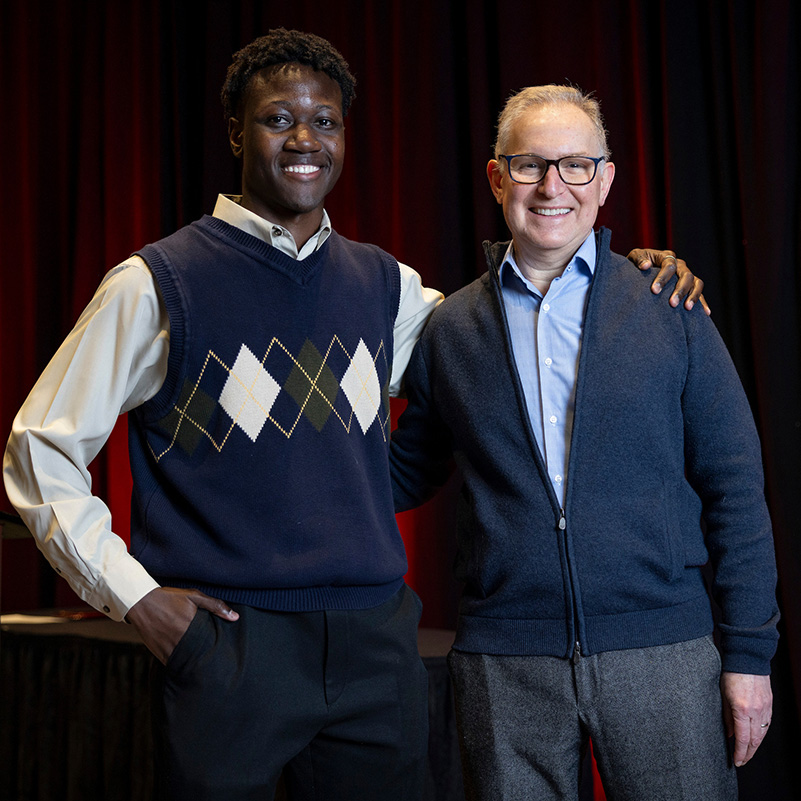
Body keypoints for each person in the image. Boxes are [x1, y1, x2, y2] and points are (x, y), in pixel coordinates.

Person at [3, 28, 702, 801]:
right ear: (237, 130)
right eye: (278, 119)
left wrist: (618, 275)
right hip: (231, 645)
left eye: (325, 121)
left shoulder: (387, 286)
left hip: (374, 647)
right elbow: (38, 452)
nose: (305, 138)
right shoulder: (156, 283)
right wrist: (135, 598)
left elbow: (515, 334)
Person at [390, 85, 779, 801]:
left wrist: (749, 656)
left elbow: (735, 488)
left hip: (664, 655)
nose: (551, 186)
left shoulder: (669, 305)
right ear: (496, 177)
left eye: (574, 165)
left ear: (604, 179)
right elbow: (398, 473)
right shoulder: (449, 331)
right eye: (530, 164)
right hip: (504, 666)